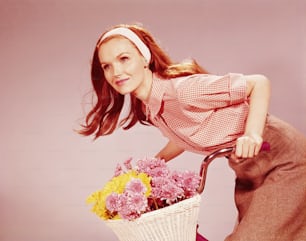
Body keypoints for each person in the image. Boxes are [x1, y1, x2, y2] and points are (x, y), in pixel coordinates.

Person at [79, 23, 306, 241]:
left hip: (282, 159)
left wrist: (253, 134)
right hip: (249, 167)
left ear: (144, 57)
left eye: (123, 58)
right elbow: (184, 136)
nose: (116, 71)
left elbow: (259, 83)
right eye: (106, 65)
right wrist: (150, 166)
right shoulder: (152, 107)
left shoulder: (183, 91)